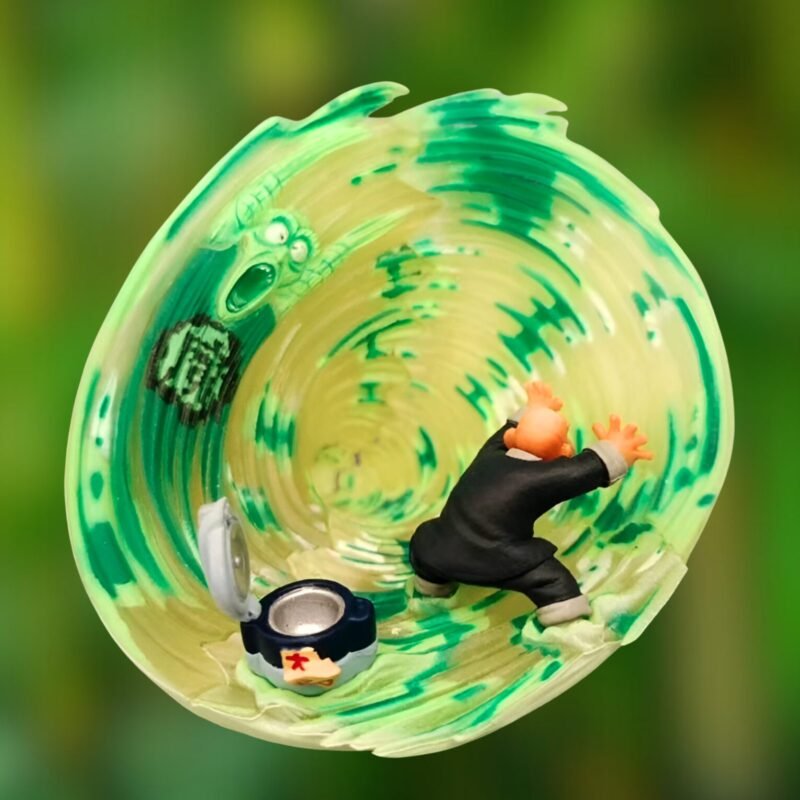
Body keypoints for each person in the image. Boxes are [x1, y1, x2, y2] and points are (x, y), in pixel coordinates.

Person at [408, 382, 653, 626]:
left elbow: (506, 432)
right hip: (490, 558)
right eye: (564, 441)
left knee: (431, 542)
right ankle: (565, 617)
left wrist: (533, 409)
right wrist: (615, 450)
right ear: (563, 452)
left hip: (435, 551)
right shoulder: (542, 476)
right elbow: (582, 471)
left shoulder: (490, 454)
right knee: (549, 579)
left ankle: (429, 588)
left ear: (512, 438)